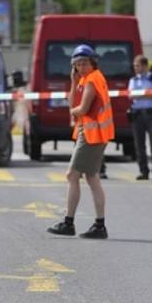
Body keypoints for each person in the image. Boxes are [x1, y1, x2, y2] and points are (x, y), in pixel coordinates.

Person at [47, 44, 114, 239]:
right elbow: (73, 102)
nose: (81, 67)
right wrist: (73, 82)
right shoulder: (85, 79)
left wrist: (72, 111)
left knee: (72, 175)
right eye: (77, 64)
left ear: (93, 63)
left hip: (93, 134)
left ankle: (70, 223)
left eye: (85, 63)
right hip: (93, 133)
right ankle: (98, 225)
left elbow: (81, 109)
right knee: (91, 178)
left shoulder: (92, 79)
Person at [127, 54, 152, 180]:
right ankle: (143, 171)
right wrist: (145, 93)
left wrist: (140, 94)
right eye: (134, 66)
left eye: (137, 65)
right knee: (139, 144)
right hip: (137, 114)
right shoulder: (133, 79)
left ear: (144, 66)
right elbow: (131, 95)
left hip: (150, 114)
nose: (135, 68)